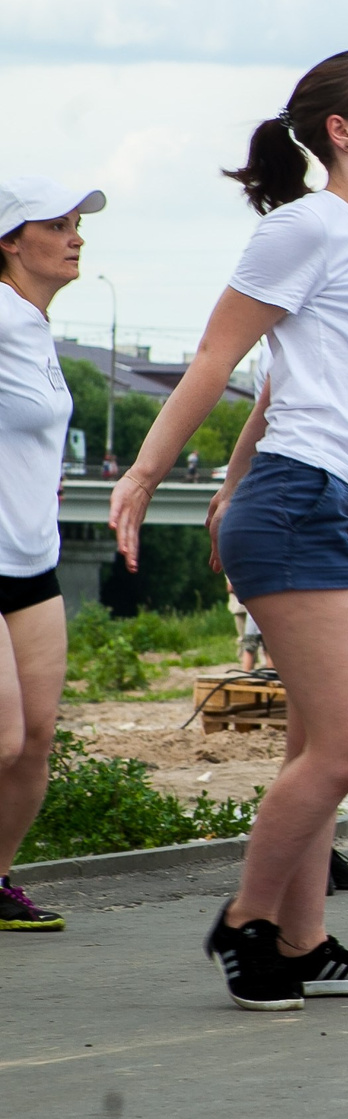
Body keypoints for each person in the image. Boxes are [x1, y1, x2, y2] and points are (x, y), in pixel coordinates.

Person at [110, 49, 348, 1009]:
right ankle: (245, 921)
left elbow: (293, 384)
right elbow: (217, 358)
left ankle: (305, 942)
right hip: (304, 503)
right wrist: (147, 474)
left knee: (314, 747)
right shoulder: (303, 228)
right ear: (342, 132)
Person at [0, 178, 96, 931]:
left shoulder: (35, 326)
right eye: (57, 225)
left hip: (32, 562)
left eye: (76, 224)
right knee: (0, 734)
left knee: (34, 741)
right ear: (9, 240)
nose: (76, 236)